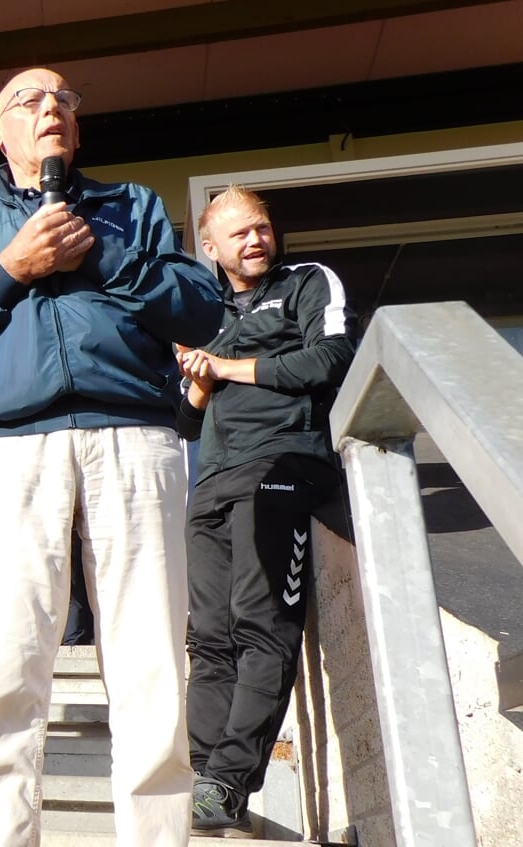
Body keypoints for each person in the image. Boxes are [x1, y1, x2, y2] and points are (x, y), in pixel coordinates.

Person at [0, 67, 223, 846]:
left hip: (134, 440)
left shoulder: (132, 208)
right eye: (28, 99)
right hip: (14, 449)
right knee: (1, 668)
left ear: (76, 131)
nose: (50, 106)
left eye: (64, 100)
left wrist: (102, 258)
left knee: (151, 665)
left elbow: (202, 307)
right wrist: (8, 266)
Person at [177, 185, 356, 837]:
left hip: (281, 465)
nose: (254, 239)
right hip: (212, 481)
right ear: (210, 246)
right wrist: (199, 386)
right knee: (209, 637)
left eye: (261, 227)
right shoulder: (203, 312)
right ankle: (202, 780)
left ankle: (226, 780)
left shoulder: (308, 281)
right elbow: (182, 418)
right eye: (239, 232)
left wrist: (227, 367)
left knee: (261, 625)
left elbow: (330, 358)